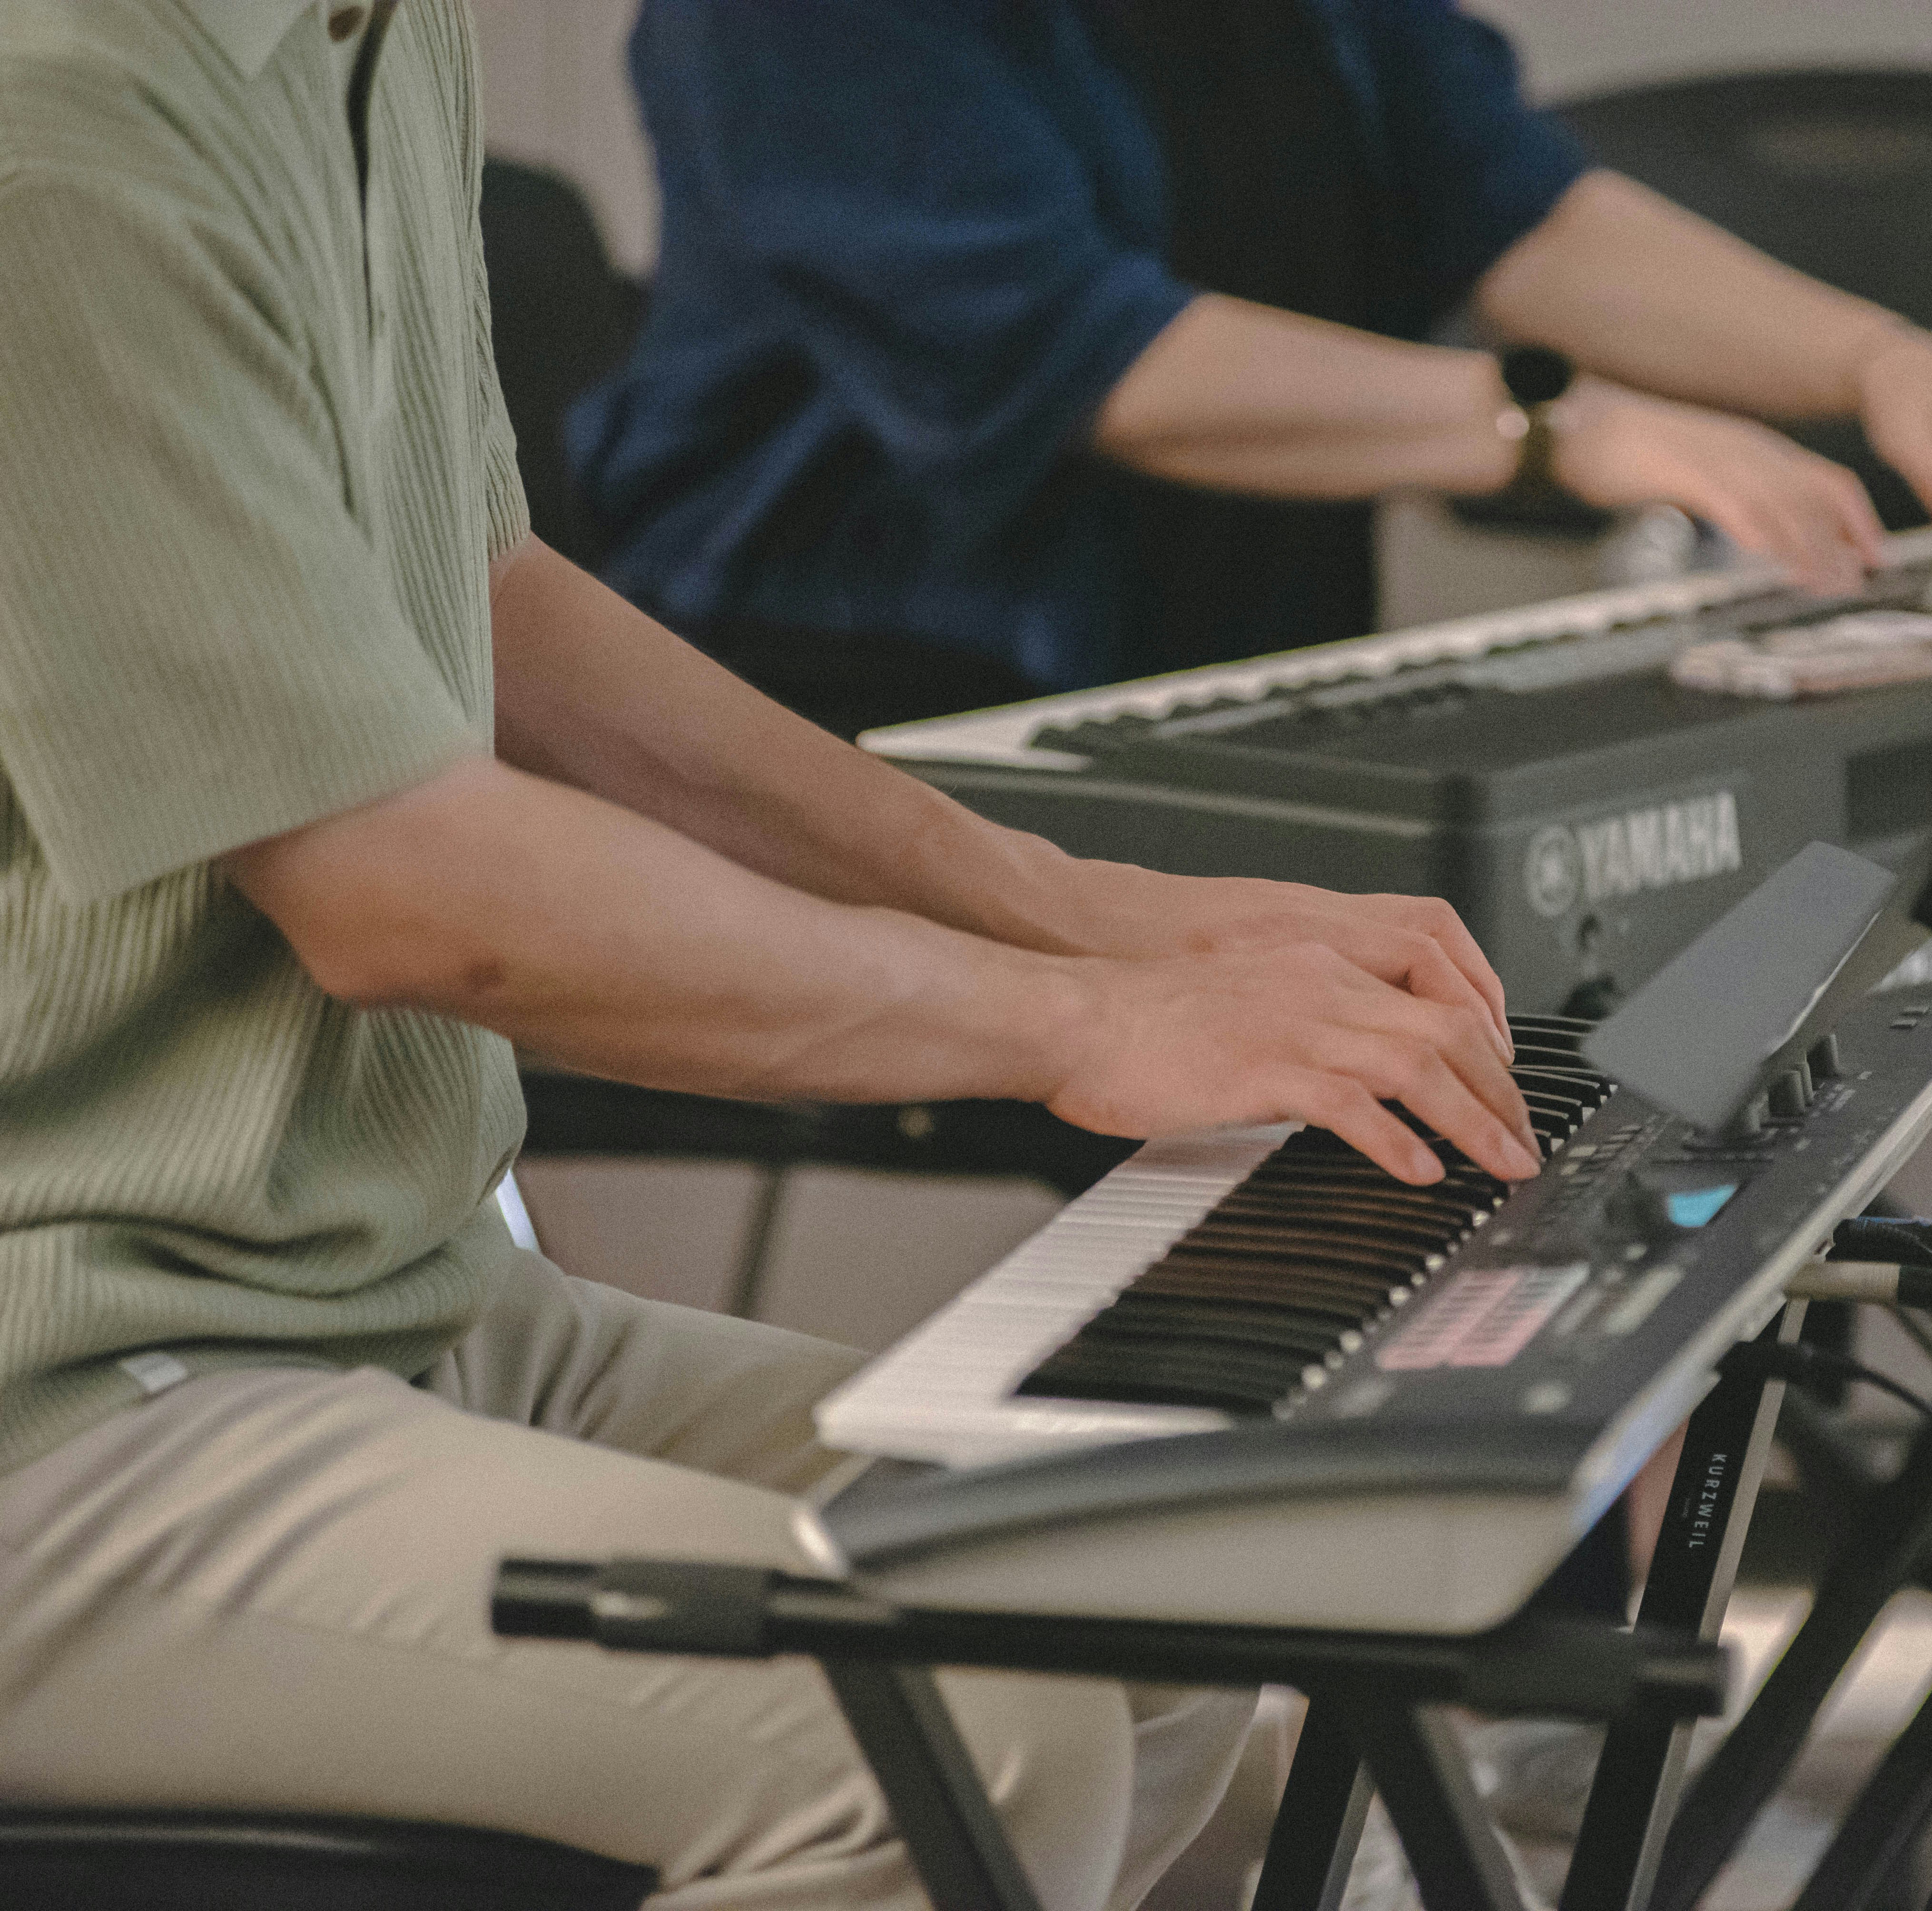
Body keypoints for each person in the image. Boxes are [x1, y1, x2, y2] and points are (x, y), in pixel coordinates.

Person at [0, 5, 1538, 1907]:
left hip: (376, 1290)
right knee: (964, 1733)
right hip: (59, 1383)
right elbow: (407, 886)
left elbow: (483, 595)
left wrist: (1071, 901)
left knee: (1138, 1595)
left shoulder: (369, 32)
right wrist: (1067, 1017)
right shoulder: (55, 116)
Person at [570, 0, 1932, 736]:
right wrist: (1556, 428)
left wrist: (1879, 363)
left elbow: (1504, 205)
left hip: (1219, 669)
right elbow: (1076, 354)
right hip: (856, 704)